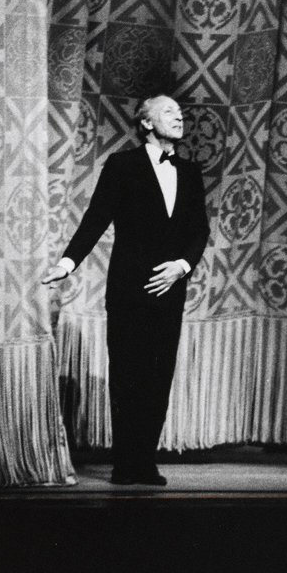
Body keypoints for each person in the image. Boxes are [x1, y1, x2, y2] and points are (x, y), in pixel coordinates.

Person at [42, 94, 210, 486]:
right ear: (147, 123)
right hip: (129, 287)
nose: (179, 117)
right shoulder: (123, 165)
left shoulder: (190, 172)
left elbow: (199, 230)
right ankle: (126, 463)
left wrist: (182, 267)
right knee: (128, 373)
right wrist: (67, 264)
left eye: (180, 113)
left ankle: (145, 461)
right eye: (169, 112)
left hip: (170, 288)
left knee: (159, 374)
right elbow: (96, 217)